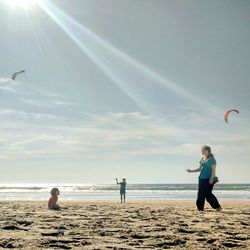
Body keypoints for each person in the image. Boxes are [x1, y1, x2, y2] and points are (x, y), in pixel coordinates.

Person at [186, 145, 222, 211]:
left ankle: (217, 207)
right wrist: (191, 171)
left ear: (207, 150)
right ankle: (200, 209)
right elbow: (199, 169)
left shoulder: (212, 159)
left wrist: (212, 178)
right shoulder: (202, 159)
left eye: (203, 150)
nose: (201, 151)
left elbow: (214, 170)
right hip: (201, 178)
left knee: (208, 195)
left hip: (209, 179)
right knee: (201, 194)